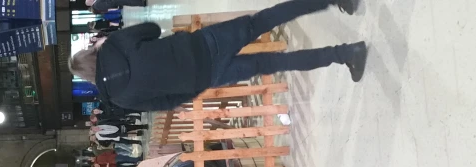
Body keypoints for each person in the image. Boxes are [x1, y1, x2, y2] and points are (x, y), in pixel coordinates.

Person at [68, 0, 368, 112]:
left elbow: (167, 103)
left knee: (274, 63)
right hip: (203, 44)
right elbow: (151, 29)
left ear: (87, 76)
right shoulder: (116, 45)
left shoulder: (119, 99)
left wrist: (195, 86)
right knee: (262, 21)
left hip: (206, 76)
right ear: (89, 51)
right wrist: (107, 43)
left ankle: (348, 53)